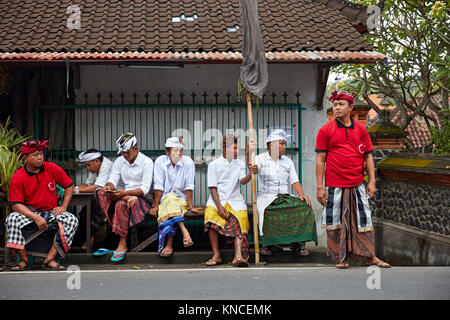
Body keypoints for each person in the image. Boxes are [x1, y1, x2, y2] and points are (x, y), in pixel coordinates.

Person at [315, 90, 390, 269]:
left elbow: (369, 157)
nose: (337, 107)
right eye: (335, 105)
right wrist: (320, 187)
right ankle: (341, 257)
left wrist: (371, 182)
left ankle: (370, 257)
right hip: (334, 184)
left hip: (357, 183)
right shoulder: (325, 130)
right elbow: (320, 160)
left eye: (341, 104)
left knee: (364, 220)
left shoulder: (362, 129)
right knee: (336, 222)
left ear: (351, 107)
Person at [6, 139, 79, 270]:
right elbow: (16, 205)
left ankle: (49, 258)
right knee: (12, 219)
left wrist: (63, 206)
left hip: (51, 212)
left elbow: (69, 186)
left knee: (71, 220)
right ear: (26, 158)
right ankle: (24, 260)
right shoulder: (18, 177)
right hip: (30, 214)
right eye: (35, 155)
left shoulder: (52, 168)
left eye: (41, 153)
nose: (40, 157)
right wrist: (35, 217)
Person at [247, 129, 318, 256]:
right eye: (282, 144)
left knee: (303, 206)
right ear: (271, 145)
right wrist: (252, 163)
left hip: (285, 196)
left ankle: (298, 243)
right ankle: (267, 244)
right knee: (267, 211)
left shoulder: (287, 161)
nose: (284, 147)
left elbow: (294, 181)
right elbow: (253, 166)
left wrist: (301, 195)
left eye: (284, 144)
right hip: (267, 197)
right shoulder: (260, 158)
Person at [94, 133, 153, 262]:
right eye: (122, 153)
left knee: (121, 204)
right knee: (100, 192)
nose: (124, 155)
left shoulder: (147, 162)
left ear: (136, 149)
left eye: (127, 152)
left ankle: (122, 244)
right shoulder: (120, 161)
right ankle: (127, 199)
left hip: (143, 197)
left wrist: (124, 194)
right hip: (125, 195)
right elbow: (112, 179)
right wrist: (108, 187)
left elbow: (144, 189)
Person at [204, 135, 257, 267]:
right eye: (233, 148)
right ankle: (216, 255)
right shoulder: (213, 165)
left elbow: (242, 181)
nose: (236, 151)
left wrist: (251, 173)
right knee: (210, 218)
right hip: (216, 200)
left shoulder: (239, 164)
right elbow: (213, 188)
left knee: (242, 219)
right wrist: (219, 206)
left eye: (236, 148)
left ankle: (238, 256)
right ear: (224, 149)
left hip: (235, 201)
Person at [150, 137, 202, 257]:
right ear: (167, 152)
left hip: (181, 200)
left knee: (172, 202)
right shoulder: (159, 162)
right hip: (165, 201)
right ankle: (183, 232)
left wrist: (190, 206)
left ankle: (170, 244)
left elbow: (189, 186)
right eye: (175, 151)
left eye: (181, 150)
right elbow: (158, 186)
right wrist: (156, 206)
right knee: (169, 198)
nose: (179, 153)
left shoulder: (188, 162)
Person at [74, 149, 115, 250]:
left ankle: (89, 240)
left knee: (94, 210)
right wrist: (74, 188)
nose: (87, 168)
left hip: (114, 197)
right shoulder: (95, 168)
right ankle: (83, 240)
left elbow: (96, 187)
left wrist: (76, 190)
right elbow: (88, 184)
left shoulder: (106, 166)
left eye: (88, 165)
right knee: (84, 212)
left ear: (96, 161)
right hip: (103, 197)